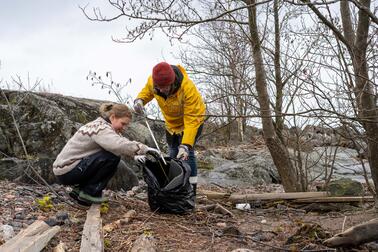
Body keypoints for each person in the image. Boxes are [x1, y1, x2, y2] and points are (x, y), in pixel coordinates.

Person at [53, 103, 159, 205]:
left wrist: (135, 155)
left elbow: (121, 141)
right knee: (111, 157)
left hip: (66, 169)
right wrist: (143, 149)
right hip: (67, 170)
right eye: (123, 123)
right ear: (113, 117)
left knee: (110, 155)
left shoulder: (103, 127)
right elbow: (117, 145)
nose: (124, 128)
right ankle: (89, 192)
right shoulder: (101, 128)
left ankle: (80, 190)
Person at [133, 62, 206, 195]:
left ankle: (191, 188)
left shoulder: (188, 89)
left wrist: (185, 145)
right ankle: (175, 186)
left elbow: (191, 120)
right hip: (172, 124)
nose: (161, 90)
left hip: (192, 121)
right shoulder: (153, 82)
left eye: (165, 87)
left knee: (186, 154)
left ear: (173, 83)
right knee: (172, 153)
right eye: (159, 87)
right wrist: (140, 100)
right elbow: (147, 92)